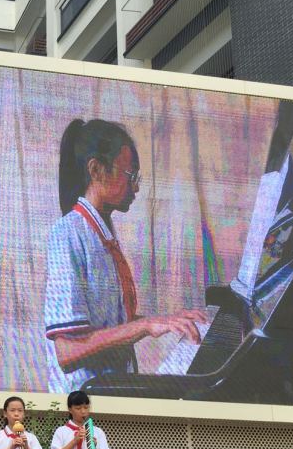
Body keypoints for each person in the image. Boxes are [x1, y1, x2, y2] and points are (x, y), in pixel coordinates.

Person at [45, 119, 205, 392]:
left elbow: (110, 325)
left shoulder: (102, 232)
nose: (136, 188)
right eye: (131, 176)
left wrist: (167, 320)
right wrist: (147, 325)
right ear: (96, 170)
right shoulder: (68, 233)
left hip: (110, 388)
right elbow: (67, 351)